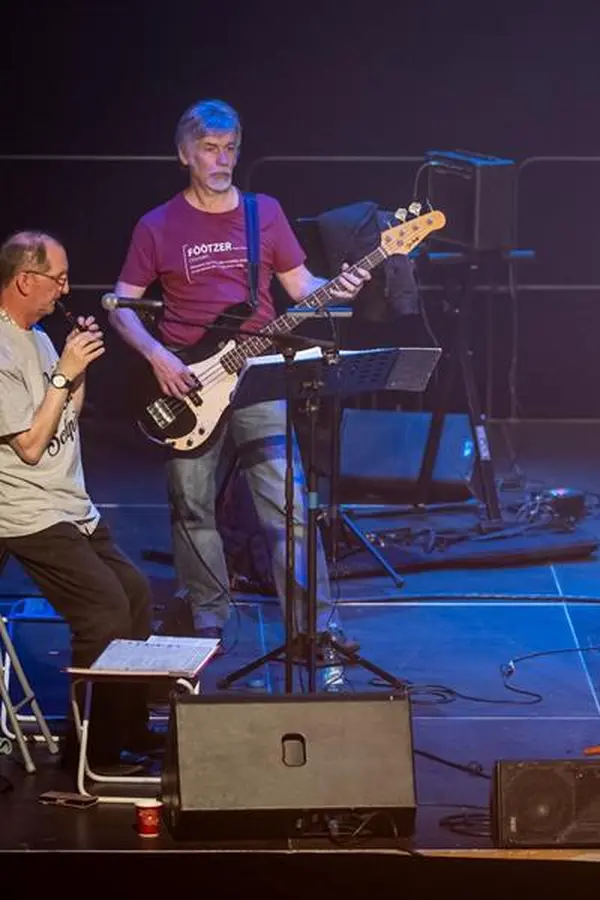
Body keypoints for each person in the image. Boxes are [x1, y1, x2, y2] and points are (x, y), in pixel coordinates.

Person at [107, 99, 369, 653]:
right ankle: (207, 618)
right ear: (184, 155)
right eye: (209, 149)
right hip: (188, 383)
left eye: (230, 148)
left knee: (288, 503)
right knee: (191, 505)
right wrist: (158, 356)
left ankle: (315, 628)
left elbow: (300, 287)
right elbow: (121, 305)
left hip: (257, 375)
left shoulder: (263, 212)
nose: (221, 159)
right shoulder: (157, 225)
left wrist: (339, 286)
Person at [0, 230, 156, 773]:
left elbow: (66, 411)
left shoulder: (40, 336)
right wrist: (65, 371)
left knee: (135, 594)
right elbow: (30, 443)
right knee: (103, 612)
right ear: (24, 279)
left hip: (70, 503)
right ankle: (89, 752)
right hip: (26, 512)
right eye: (57, 279)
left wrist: (77, 369)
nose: (65, 289)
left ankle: (129, 729)